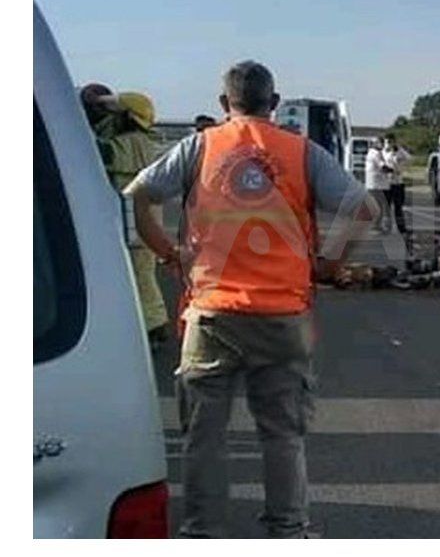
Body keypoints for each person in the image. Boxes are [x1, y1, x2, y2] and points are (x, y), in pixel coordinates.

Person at [124, 60, 377, 538]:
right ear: (275, 105)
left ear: (224, 105)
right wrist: (328, 264)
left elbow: (137, 193)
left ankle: (201, 532)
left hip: (212, 313)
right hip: (283, 316)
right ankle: (287, 529)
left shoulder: (198, 147)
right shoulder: (302, 153)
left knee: (203, 436)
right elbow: (363, 205)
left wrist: (168, 251)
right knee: (282, 434)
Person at [96, 91, 171, 347]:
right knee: (144, 275)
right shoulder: (145, 141)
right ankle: (153, 325)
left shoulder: (132, 143)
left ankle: (153, 328)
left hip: (135, 223)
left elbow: (100, 151)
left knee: (141, 278)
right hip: (142, 220)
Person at [382, 135, 411, 237]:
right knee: (386, 207)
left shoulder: (399, 153)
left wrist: (399, 149)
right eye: (387, 142)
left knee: (398, 208)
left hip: (398, 183)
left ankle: (401, 228)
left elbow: (408, 158)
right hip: (386, 183)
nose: (389, 144)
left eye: (391, 142)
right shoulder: (383, 153)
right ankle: (385, 227)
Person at [364, 136, 393, 233]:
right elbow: (382, 167)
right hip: (375, 184)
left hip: (375, 184)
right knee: (381, 205)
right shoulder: (375, 153)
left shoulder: (374, 153)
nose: (383, 145)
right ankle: (375, 225)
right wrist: (392, 170)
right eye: (381, 143)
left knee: (380, 204)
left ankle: (376, 225)